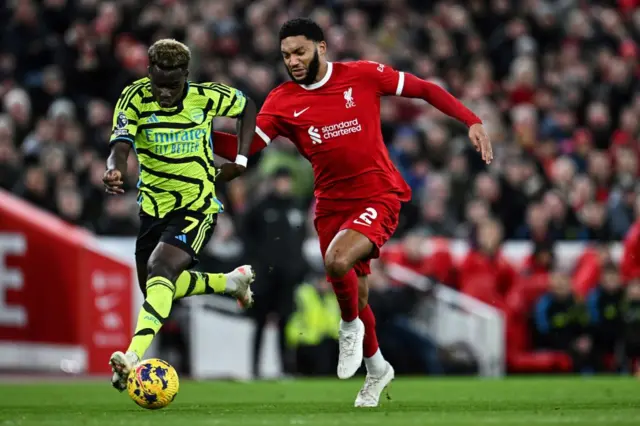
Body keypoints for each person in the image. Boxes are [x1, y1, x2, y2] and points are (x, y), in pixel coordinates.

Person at [213, 18, 492, 407]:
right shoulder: (281, 101)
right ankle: (377, 368)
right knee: (356, 289)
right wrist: (196, 133)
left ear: (321, 48)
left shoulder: (361, 75)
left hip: (378, 194)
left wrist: (471, 119)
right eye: (286, 55)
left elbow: (424, 89)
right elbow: (246, 149)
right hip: (330, 205)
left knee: (336, 261)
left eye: (300, 52)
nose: (292, 61)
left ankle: (349, 331)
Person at [102, 39, 258, 392]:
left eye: (173, 86)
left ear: (186, 76)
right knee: (157, 287)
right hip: (153, 208)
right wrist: (115, 170)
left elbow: (247, 105)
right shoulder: (134, 98)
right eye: (159, 85)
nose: (165, 94)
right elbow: (121, 145)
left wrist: (242, 159)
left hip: (198, 204)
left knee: (161, 269)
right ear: (148, 73)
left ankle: (131, 356)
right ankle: (229, 282)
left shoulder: (206, 96)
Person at [241, 167, 308, 378]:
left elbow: (300, 240)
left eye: (287, 181)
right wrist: (257, 264)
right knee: (259, 321)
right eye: (281, 181)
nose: (284, 185)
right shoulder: (261, 208)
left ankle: (284, 368)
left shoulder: (296, 208)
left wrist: (298, 267)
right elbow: (246, 236)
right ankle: (254, 369)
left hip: (287, 276)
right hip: (264, 277)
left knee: (285, 322)